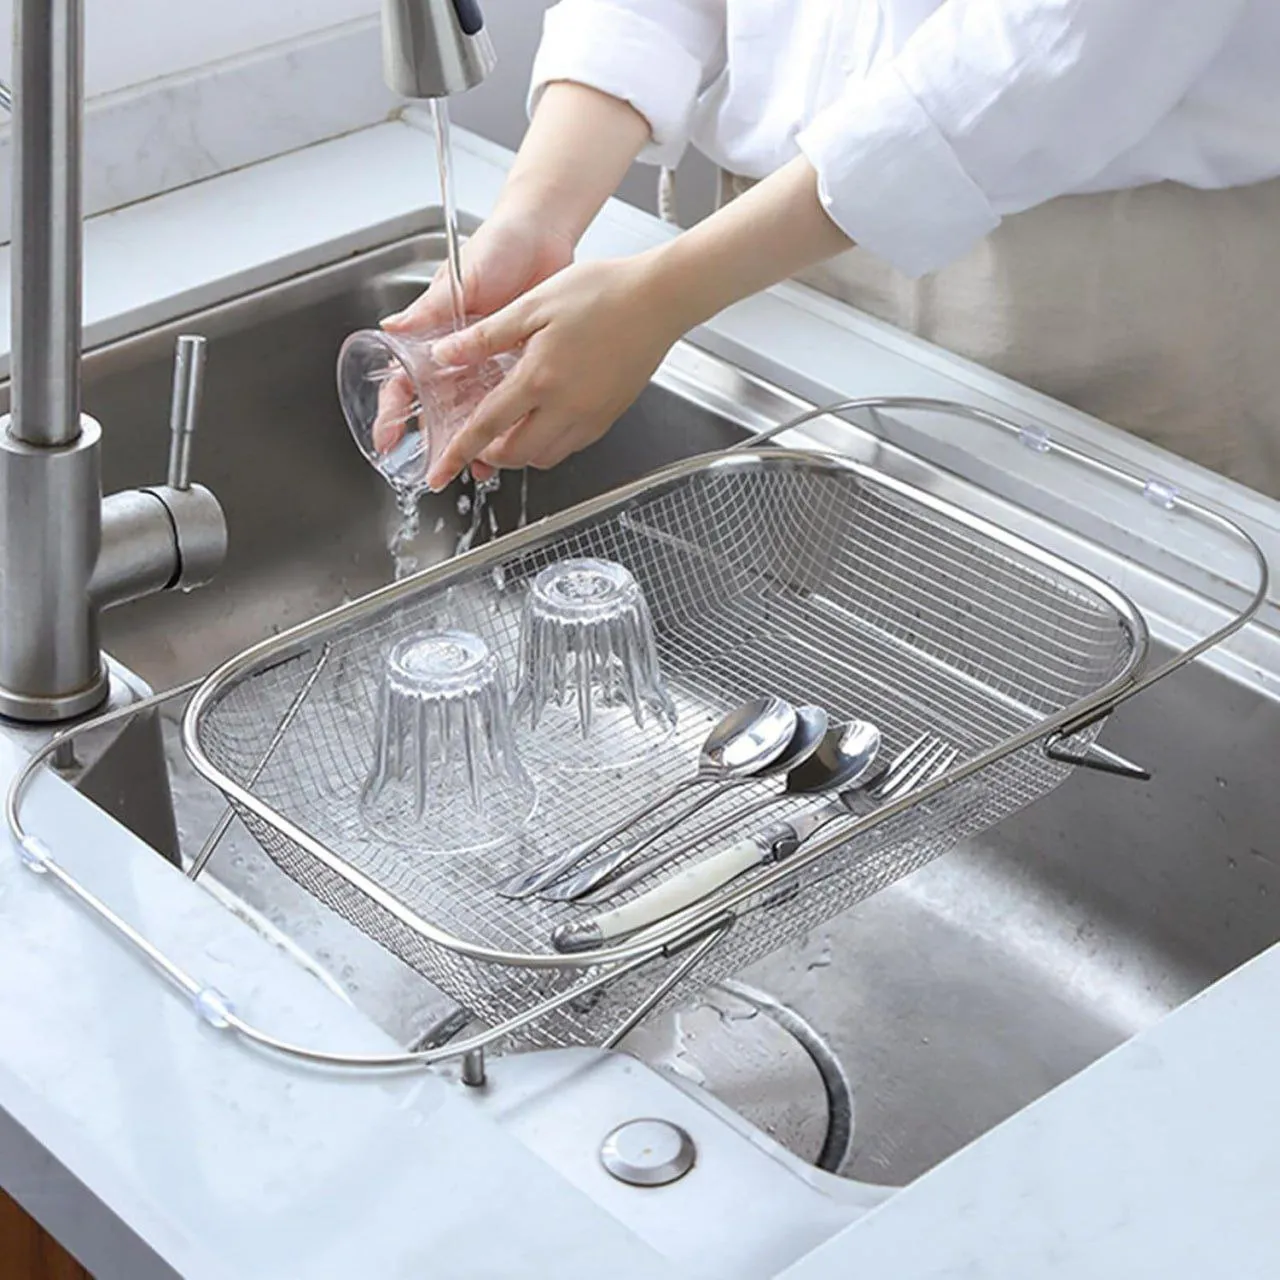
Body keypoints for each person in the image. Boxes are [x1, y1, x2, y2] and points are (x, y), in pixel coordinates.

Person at [382, 1, 1280, 498]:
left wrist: (662, 296)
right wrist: (537, 219)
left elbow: (1047, 45)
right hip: (749, 253)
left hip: (1075, 284)